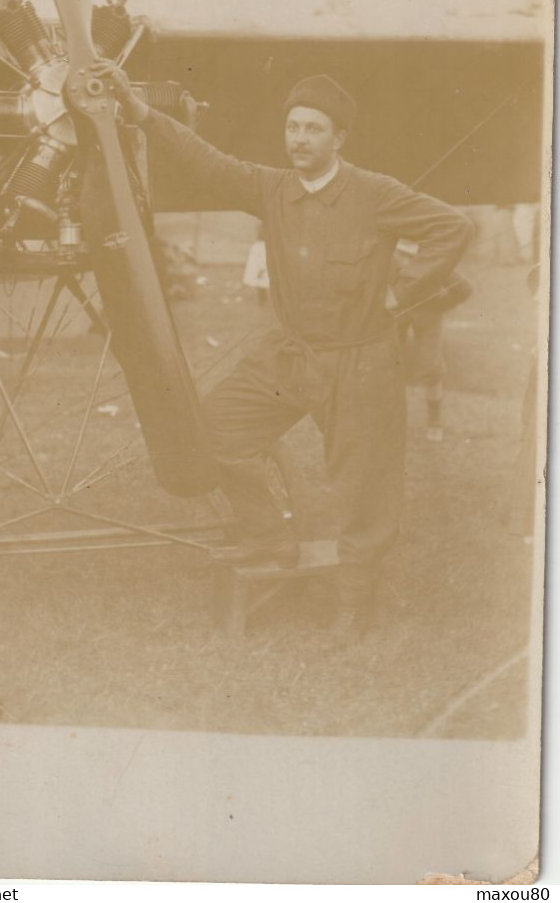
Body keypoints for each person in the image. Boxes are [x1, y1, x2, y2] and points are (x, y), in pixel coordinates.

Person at [98, 66, 473, 646]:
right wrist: (141, 112)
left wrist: (404, 292)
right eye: (293, 127)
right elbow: (205, 161)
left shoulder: (374, 192)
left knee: (361, 487)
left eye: (314, 129)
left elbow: (453, 226)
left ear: (338, 139)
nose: (299, 139)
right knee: (210, 428)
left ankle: (353, 603)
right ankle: (268, 534)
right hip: (292, 355)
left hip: (360, 361)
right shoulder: (271, 188)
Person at [392, 240, 473, 442]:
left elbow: (464, 289)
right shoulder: (387, 258)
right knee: (387, 362)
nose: (406, 259)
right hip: (395, 314)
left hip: (428, 315)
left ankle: (434, 420)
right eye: (403, 254)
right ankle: (390, 419)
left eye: (411, 255)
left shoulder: (435, 261)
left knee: (430, 366)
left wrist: (439, 304)